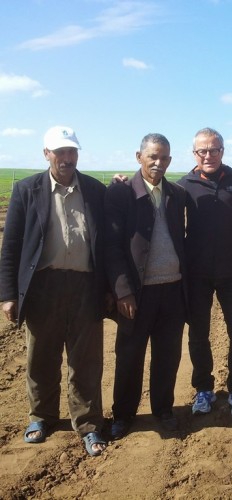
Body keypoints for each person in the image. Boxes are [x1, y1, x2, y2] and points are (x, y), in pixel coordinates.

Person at [0, 126, 109, 456]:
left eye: (72, 151)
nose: (66, 158)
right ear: (46, 153)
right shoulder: (27, 190)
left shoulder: (94, 189)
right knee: (42, 357)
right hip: (43, 286)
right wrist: (7, 294)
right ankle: (41, 417)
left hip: (85, 285)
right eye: (60, 151)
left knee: (86, 360)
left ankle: (89, 424)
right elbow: (11, 246)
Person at [105, 133, 187, 440]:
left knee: (168, 355)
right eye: (152, 156)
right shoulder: (121, 193)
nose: (158, 162)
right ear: (139, 156)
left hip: (172, 290)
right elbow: (111, 247)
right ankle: (123, 414)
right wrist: (122, 290)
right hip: (137, 294)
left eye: (164, 157)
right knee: (129, 355)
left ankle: (163, 410)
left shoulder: (176, 193)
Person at [177, 128, 232, 418]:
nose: (208, 155)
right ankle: (203, 389)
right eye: (202, 151)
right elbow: (153, 195)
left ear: (223, 151)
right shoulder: (184, 185)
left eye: (214, 150)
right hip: (197, 275)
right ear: (194, 153)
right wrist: (121, 184)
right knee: (198, 335)